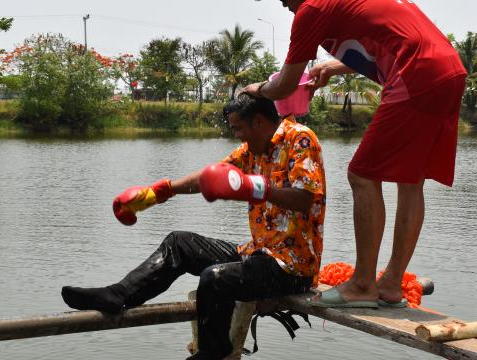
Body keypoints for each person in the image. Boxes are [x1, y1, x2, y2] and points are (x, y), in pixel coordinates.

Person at [61, 94, 326, 360]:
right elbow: (212, 176)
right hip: (257, 252)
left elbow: (306, 198)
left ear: (258, 121)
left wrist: (256, 188)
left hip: (292, 267)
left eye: (238, 128)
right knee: (179, 243)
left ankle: (212, 351)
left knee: (216, 277)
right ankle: (117, 294)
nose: (236, 136)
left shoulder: (300, 139)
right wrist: (160, 192)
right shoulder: (251, 149)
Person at [244, 0, 467, 308]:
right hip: (449, 69)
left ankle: (363, 285)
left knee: (362, 174)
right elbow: (390, 38)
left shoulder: (312, 9)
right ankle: (390, 284)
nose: (282, 4)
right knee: (412, 180)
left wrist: (257, 89)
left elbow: (284, 86)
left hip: (415, 71)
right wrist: (334, 66)